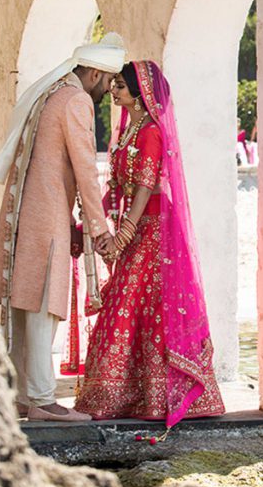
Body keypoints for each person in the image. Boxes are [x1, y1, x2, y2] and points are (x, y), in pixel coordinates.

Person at [0, 34, 126, 422]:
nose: (107, 91)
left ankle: (18, 397)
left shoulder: (51, 92)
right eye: (107, 81)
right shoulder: (75, 99)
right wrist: (100, 230)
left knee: (24, 304)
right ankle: (43, 401)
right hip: (46, 216)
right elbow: (85, 169)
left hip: (25, 213)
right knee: (44, 304)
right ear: (94, 73)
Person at [75, 61, 225, 427]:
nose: (114, 91)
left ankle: (158, 393)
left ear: (140, 94)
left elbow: (144, 186)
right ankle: (127, 392)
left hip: (154, 227)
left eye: (122, 87)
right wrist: (97, 223)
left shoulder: (151, 133)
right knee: (130, 306)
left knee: (144, 305)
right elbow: (120, 183)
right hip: (135, 224)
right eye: (115, 86)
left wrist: (124, 233)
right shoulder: (128, 130)